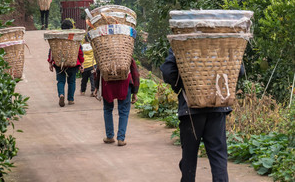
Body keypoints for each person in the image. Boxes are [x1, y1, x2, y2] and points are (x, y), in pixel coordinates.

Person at [160, 47, 245, 182]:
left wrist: (182, 85)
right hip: (217, 107)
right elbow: (239, 70)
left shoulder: (182, 42)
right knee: (218, 156)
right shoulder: (223, 43)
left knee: (189, 157)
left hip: (191, 109)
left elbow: (168, 71)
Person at [93, 58, 140, 147]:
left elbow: (98, 70)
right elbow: (135, 73)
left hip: (107, 83)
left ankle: (110, 136)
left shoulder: (105, 54)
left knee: (107, 109)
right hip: (124, 82)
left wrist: (96, 87)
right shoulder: (124, 53)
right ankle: (121, 138)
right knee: (124, 111)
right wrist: (135, 92)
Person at [48, 19, 84, 107]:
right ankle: (71, 99)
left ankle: (61, 94)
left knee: (60, 81)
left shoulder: (57, 38)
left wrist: (50, 62)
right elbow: (80, 52)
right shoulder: (74, 38)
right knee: (72, 81)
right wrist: (81, 64)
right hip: (73, 64)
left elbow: (52, 50)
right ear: (71, 28)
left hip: (59, 64)